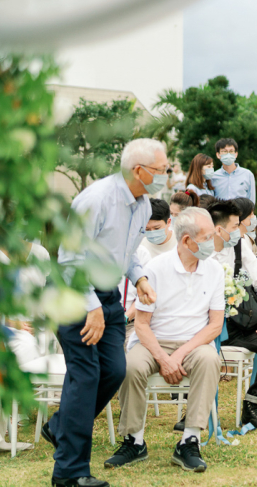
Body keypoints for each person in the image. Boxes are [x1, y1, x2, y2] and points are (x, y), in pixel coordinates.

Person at [45, 139, 164, 487]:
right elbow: (70, 259)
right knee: (85, 377)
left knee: (114, 370)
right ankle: (69, 473)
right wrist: (91, 307)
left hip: (108, 295)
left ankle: (59, 427)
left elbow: (125, 252)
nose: (165, 175)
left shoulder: (142, 205)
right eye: (161, 170)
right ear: (138, 170)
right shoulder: (95, 200)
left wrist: (139, 277)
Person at [106, 208, 224, 473]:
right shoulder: (155, 269)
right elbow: (142, 325)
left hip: (193, 342)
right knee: (131, 366)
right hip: (153, 341)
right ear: (186, 241)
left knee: (209, 359)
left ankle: (189, 440)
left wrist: (179, 354)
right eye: (206, 237)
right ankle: (134, 440)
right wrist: (162, 358)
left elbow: (215, 324)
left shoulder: (215, 269)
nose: (212, 242)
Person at [208, 200, 257, 429]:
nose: (237, 230)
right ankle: (195, 409)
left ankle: (252, 405)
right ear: (218, 228)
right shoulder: (201, 252)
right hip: (207, 329)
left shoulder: (240, 246)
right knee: (200, 357)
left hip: (240, 325)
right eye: (233, 226)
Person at [122, 199, 176, 343]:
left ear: (169, 222)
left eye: (156, 228)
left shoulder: (180, 245)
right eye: (147, 229)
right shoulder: (140, 247)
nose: (151, 233)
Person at [210, 138, 256, 203]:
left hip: (241, 212)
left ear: (236, 154)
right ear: (218, 155)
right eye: (224, 151)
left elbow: (251, 201)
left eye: (231, 151)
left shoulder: (247, 174)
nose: (228, 154)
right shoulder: (213, 177)